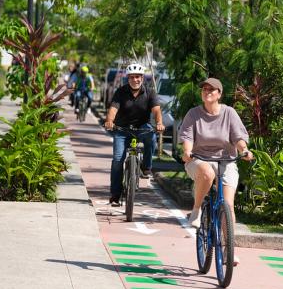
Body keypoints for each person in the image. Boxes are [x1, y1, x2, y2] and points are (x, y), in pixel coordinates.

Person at [178, 77, 253, 266]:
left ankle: (229, 250)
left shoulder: (229, 113)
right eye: (204, 89)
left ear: (219, 94)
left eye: (212, 90)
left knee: (228, 204)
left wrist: (244, 151)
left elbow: (239, 138)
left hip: (226, 161)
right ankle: (196, 211)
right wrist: (187, 152)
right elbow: (187, 138)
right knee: (207, 174)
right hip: (199, 159)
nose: (207, 92)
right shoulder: (193, 114)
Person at [104, 63, 165, 206]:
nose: (135, 80)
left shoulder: (150, 92)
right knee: (118, 160)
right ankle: (115, 195)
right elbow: (113, 108)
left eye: (137, 77)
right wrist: (109, 120)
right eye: (131, 77)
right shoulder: (121, 92)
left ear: (142, 78)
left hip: (141, 128)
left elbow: (156, 110)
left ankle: (146, 167)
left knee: (151, 136)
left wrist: (159, 123)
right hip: (122, 129)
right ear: (128, 78)